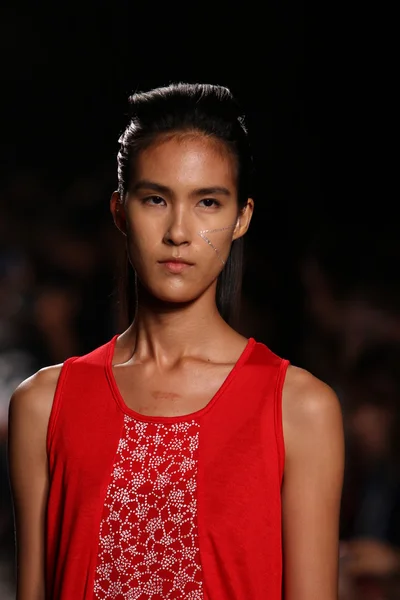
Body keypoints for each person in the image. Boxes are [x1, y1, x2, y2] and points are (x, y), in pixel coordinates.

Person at [8, 83, 344, 600]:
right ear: (120, 212)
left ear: (241, 218)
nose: (179, 232)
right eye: (156, 199)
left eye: (208, 201)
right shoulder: (42, 404)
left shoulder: (298, 408)